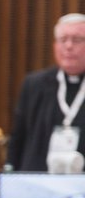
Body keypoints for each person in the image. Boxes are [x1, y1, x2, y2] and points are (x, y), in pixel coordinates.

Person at [7, 13, 85, 172]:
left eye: (77, 40)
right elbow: (18, 138)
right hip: (38, 180)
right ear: (55, 45)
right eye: (63, 40)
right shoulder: (34, 84)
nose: (69, 46)